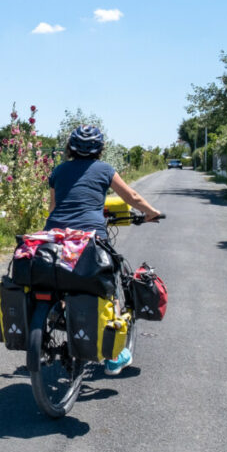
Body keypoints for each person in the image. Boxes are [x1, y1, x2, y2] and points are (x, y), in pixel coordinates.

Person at [44, 125, 163, 375]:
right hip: (89, 239)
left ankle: (63, 311)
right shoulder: (105, 170)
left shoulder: (58, 171)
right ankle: (114, 356)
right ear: (100, 150)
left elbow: (53, 208)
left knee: (61, 275)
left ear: (70, 148)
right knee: (111, 284)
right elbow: (131, 195)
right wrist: (151, 213)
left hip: (55, 236)